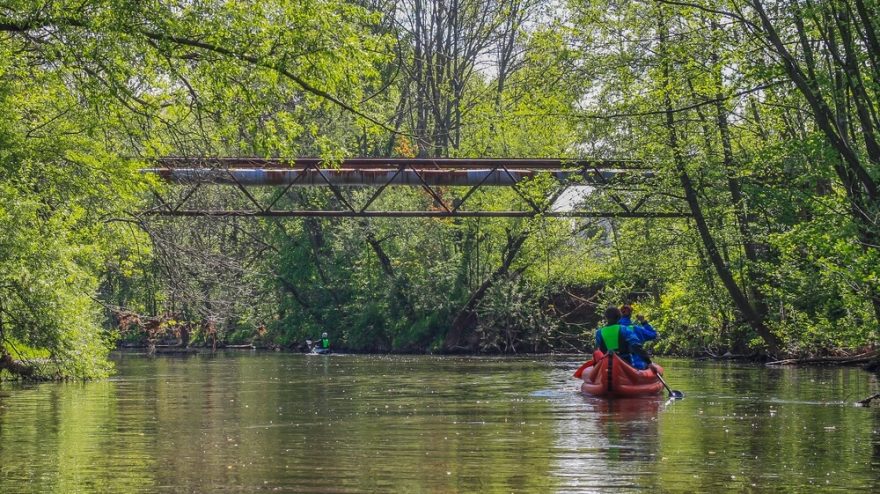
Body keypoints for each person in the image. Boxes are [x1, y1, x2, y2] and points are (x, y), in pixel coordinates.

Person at [619, 305, 657, 370]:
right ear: (630, 315)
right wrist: (643, 321)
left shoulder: (612, 330)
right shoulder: (637, 329)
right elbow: (653, 334)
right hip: (637, 364)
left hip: (617, 363)